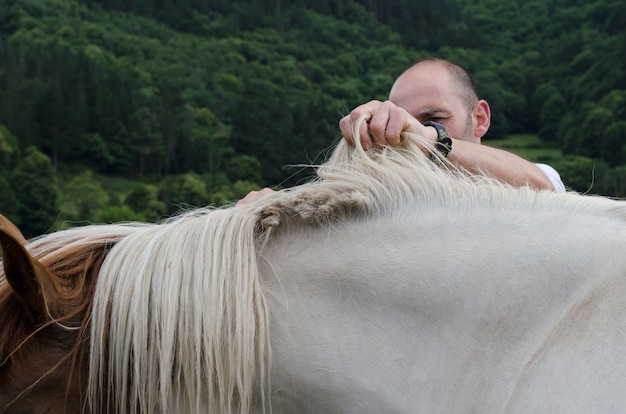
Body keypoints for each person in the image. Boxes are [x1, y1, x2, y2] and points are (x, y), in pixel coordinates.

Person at [239, 58, 565, 204]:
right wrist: (272, 211)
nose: (410, 131)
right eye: (404, 120)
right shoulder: (388, 205)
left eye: (434, 118)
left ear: (479, 118)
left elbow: (545, 190)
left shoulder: (525, 183)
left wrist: (432, 140)